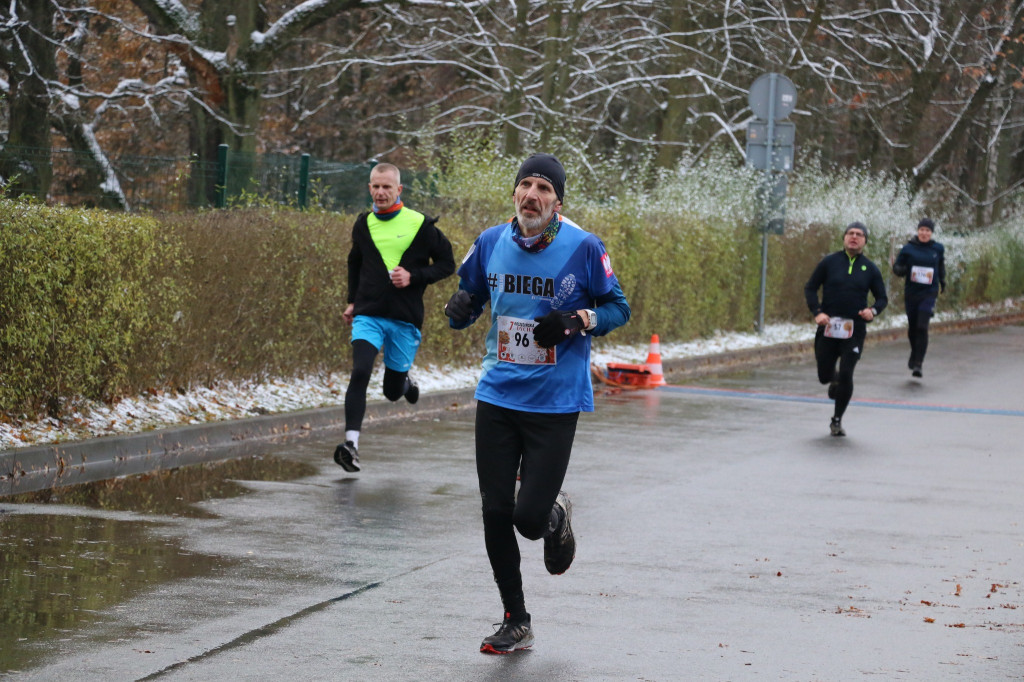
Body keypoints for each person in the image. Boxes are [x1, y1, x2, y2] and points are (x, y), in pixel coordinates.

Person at [444, 153, 630, 654]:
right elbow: (468, 299)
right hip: (499, 394)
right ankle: (515, 618)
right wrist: (459, 309)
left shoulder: (584, 247)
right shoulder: (489, 242)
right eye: (525, 185)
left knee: (527, 519)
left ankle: (553, 516)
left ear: (558, 202)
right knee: (493, 509)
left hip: (554, 403)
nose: (532, 195)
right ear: (514, 195)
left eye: (544, 188)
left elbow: (619, 307)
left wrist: (576, 321)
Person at [333, 163, 455, 472]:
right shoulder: (363, 224)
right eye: (375, 186)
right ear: (370, 188)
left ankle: (405, 383)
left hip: (404, 318)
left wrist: (414, 275)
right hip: (368, 314)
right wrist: (352, 302)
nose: (380, 192)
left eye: (387, 186)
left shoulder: (420, 225)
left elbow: (447, 263)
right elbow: (354, 263)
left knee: (391, 391)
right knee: (360, 371)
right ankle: (351, 445)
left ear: (399, 189)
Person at [804, 221, 888, 437]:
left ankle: (837, 420)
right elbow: (811, 287)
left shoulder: (869, 268)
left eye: (859, 234)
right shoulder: (829, 262)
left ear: (864, 241)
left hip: (854, 329)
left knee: (847, 374)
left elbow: (882, 298)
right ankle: (833, 378)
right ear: (844, 238)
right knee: (824, 376)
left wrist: (873, 311)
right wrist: (817, 312)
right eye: (850, 233)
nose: (854, 237)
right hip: (829, 327)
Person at [892, 217, 945, 378]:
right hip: (912, 292)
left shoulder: (938, 248)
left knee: (922, 326)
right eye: (922, 230)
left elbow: (941, 265)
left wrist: (943, 281)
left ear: (931, 233)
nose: (924, 233)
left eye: (927, 230)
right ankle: (915, 352)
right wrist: (900, 269)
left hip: (929, 292)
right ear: (918, 231)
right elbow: (898, 268)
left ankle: (918, 364)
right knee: (913, 327)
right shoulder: (908, 248)